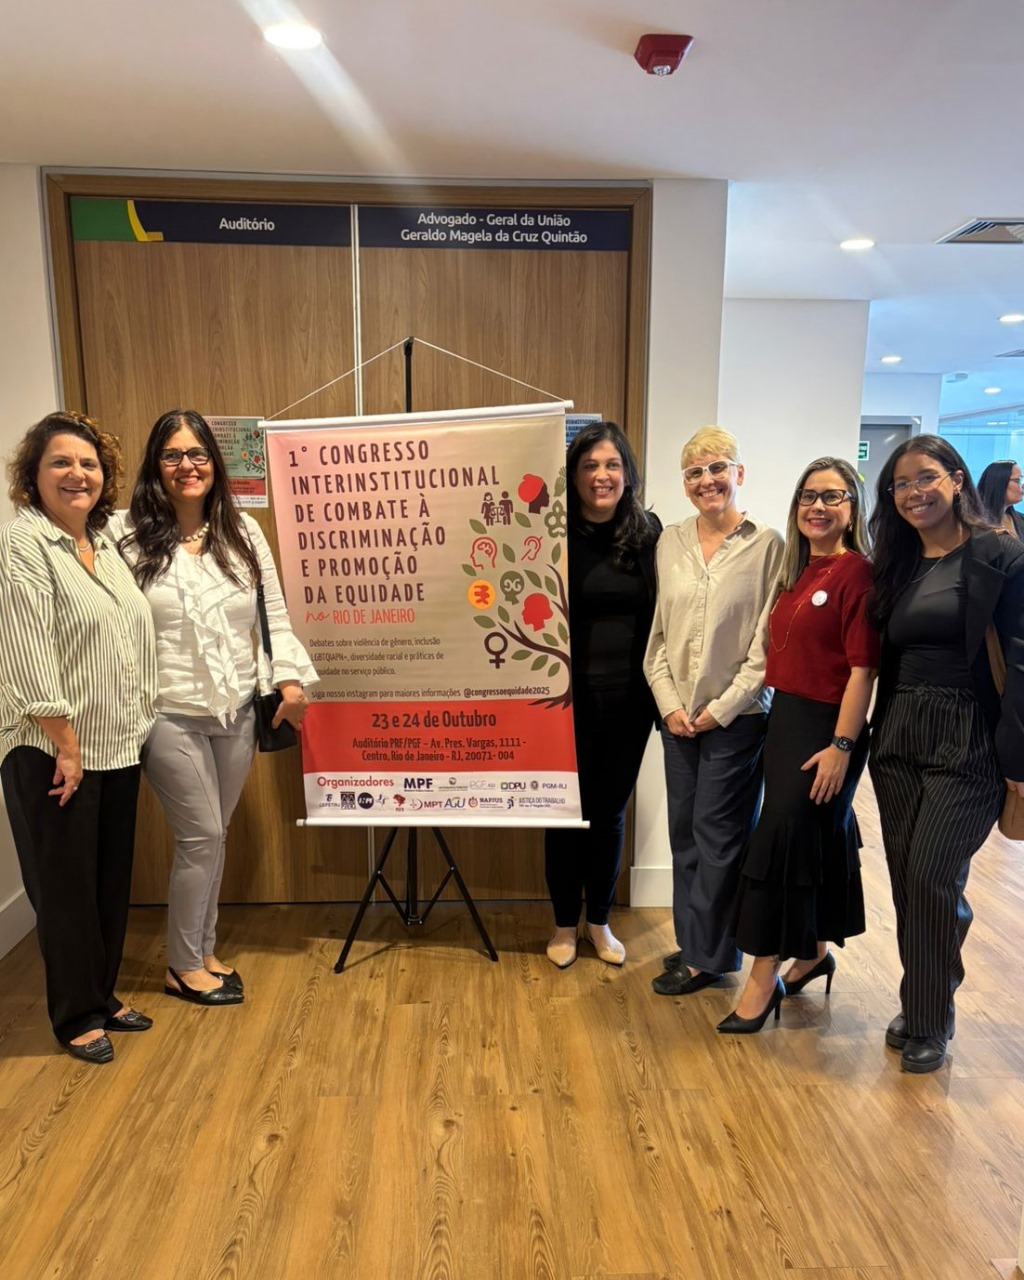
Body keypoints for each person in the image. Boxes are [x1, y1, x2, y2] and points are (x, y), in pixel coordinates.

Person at [112, 409, 316, 1006]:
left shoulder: (243, 531)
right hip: (166, 709)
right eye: (172, 454)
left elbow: (273, 614)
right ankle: (181, 965)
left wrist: (290, 680)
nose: (187, 465)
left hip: (236, 709)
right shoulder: (124, 534)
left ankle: (202, 948)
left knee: (214, 835)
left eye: (197, 453)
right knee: (201, 834)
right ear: (156, 465)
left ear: (214, 462)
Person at [0, 411, 158, 1064]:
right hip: (52, 749)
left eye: (88, 463)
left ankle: (101, 993)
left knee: (107, 883)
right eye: (60, 462)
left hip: (116, 743)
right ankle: (75, 1016)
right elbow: (27, 650)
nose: (77, 474)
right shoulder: (24, 543)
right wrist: (65, 744)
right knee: (64, 890)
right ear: (33, 475)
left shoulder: (104, 542)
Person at [868, 434, 1024, 1073]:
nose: (914, 493)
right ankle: (922, 999)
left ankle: (932, 1018)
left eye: (926, 477)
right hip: (899, 732)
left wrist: (1018, 762)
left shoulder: (1000, 555)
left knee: (934, 873)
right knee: (908, 878)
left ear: (957, 479)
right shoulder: (896, 562)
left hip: (970, 734)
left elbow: (1021, 659)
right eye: (901, 484)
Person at [720, 457, 878, 1033]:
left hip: (828, 727)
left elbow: (863, 670)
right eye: (809, 496)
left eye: (833, 496)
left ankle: (763, 979)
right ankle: (811, 953)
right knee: (806, 839)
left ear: (853, 508)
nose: (818, 506)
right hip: (785, 717)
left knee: (781, 841)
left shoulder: (857, 574)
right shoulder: (798, 570)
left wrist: (842, 745)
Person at [644, 427, 784, 996]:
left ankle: (709, 958)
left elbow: (766, 649)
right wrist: (671, 706)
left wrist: (719, 710)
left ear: (739, 473)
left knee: (720, 837)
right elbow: (658, 637)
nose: (708, 480)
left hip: (737, 720)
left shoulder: (768, 544)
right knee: (685, 835)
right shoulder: (669, 541)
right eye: (695, 472)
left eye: (718, 467)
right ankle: (697, 942)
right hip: (677, 720)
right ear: (685, 483)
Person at [545, 422, 661, 968]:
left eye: (612, 464)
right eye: (589, 465)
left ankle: (599, 922)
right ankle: (563, 925)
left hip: (630, 702)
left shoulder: (650, 535)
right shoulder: (550, 535)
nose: (601, 475)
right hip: (560, 703)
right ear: (573, 475)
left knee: (609, 812)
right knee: (563, 812)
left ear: (627, 473)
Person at [977, 459, 1024, 539]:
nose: (1023, 486)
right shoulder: (974, 521)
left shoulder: (1021, 520)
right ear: (999, 483)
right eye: (1018, 480)